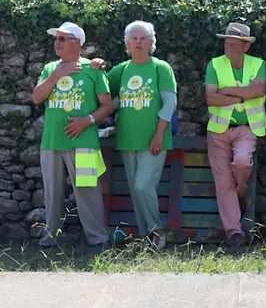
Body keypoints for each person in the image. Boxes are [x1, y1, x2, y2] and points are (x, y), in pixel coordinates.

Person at [90, 21, 177, 249]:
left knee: (143, 187)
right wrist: (96, 66)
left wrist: (159, 135)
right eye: (134, 39)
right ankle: (144, 235)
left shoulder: (161, 68)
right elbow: (99, 86)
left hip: (154, 141)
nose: (138, 42)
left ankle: (157, 231)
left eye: (143, 38)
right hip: (127, 140)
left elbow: (169, 104)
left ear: (151, 43)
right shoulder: (121, 70)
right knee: (135, 191)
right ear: (127, 44)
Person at [31, 22, 114, 249]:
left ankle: (98, 240)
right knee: (52, 192)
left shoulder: (93, 69)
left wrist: (87, 121)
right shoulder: (50, 68)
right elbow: (37, 97)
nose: (56, 43)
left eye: (62, 38)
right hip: (52, 141)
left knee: (88, 190)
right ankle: (50, 239)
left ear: (77, 43)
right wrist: (56, 75)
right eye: (56, 38)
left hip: (85, 142)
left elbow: (107, 106)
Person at [204, 22, 266, 247]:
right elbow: (211, 98)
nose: (228, 47)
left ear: (246, 46)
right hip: (218, 130)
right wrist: (244, 95)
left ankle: (241, 188)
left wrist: (229, 92)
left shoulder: (258, 64)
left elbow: (259, 90)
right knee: (223, 183)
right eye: (226, 43)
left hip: (247, 128)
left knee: (242, 162)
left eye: (233, 44)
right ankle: (235, 233)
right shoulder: (214, 64)